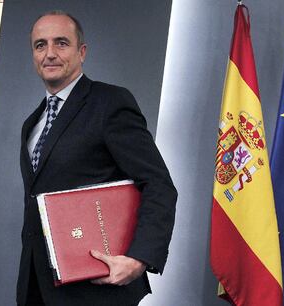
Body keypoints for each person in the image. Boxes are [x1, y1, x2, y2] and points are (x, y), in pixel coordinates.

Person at [17, 10, 177, 306]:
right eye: (40, 45)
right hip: (38, 287)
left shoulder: (110, 103)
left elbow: (158, 184)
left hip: (97, 289)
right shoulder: (32, 123)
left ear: (82, 52)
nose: (49, 53)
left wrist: (139, 258)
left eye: (61, 43)